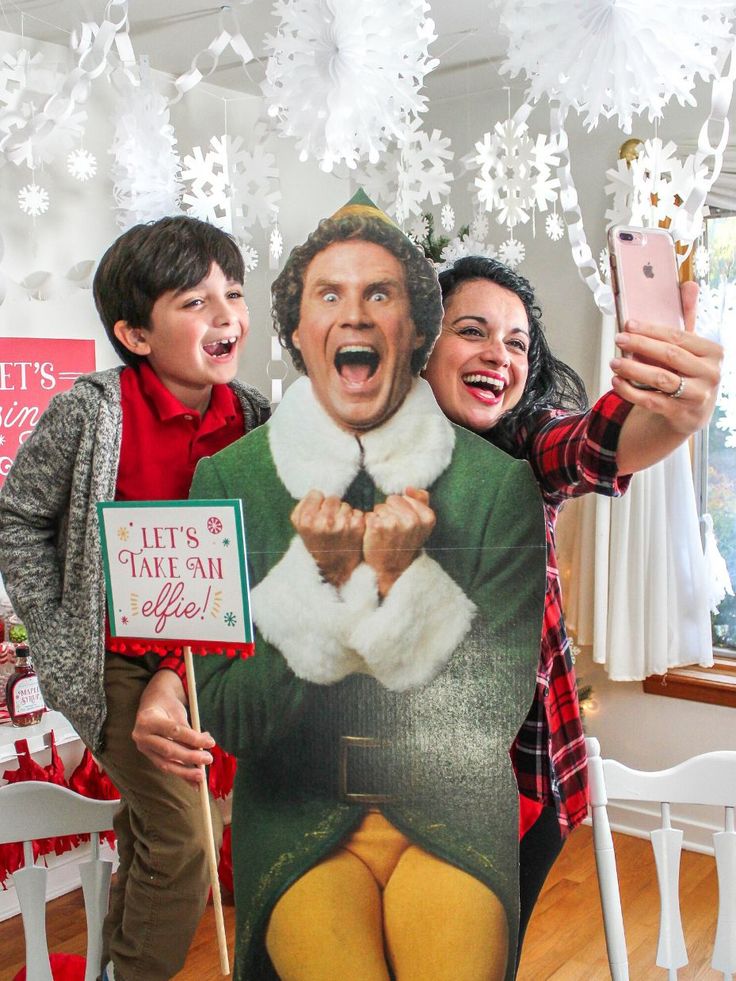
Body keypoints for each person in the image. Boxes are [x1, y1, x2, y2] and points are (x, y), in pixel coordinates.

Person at [187, 191, 547, 981]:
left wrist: (396, 580)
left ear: (415, 332)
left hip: (450, 815)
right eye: (330, 293)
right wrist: (325, 579)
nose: (355, 314)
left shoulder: (497, 487)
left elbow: (487, 715)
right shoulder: (228, 480)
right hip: (296, 813)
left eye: (379, 293)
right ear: (297, 331)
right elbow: (231, 715)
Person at [422, 254, 722, 953]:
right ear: (423, 346)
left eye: (518, 342)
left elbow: (591, 444)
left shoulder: (528, 445)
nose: (499, 352)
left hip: (523, 775)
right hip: (401, 782)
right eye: (473, 330)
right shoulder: (364, 458)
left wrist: (675, 411)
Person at [0, 215, 270, 981]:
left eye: (234, 292)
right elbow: (20, 517)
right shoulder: (91, 412)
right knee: (185, 842)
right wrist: (56, 636)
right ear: (135, 332)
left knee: (162, 837)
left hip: (205, 661)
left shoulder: (254, 421)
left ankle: (112, 966)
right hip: (113, 662)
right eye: (195, 300)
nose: (226, 314)